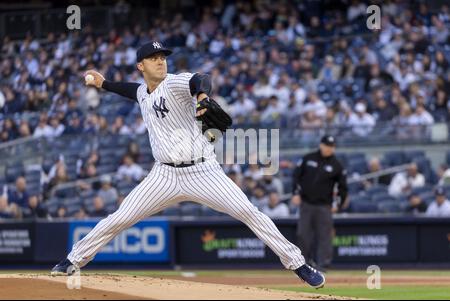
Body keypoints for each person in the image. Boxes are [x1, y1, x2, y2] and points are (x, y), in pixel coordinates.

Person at [51, 41, 325, 288]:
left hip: (203, 171)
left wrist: (203, 97)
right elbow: (131, 90)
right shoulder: (144, 93)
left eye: (163, 56)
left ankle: (297, 264)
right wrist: (104, 84)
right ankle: (73, 259)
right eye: (153, 57)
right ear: (140, 65)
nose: (160, 60)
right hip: (164, 175)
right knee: (120, 218)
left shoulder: (174, 83)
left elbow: (199, 78)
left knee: (249, 212)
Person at [292, 135, 348, 271]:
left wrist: (338, 205)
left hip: (324, 206)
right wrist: (295, 193)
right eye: (327, 146)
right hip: (306, 203)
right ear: (321, 145)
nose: (329, 149)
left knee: (325, 235)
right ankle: (303, 264)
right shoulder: (308, 158)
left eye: (332, 147)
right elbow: (296, 176)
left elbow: (343, 188)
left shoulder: (336, 165)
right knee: (303, 234)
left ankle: (324, 264)